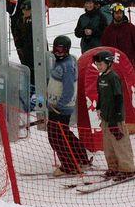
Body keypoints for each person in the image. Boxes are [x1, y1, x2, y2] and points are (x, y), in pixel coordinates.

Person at [47, 35, 90, 176]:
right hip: (55, 106)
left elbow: (69, 89)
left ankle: (69, 165)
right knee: (64, 134)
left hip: (60, 108)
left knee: (56, 137)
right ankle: (81, 158)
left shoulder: (67, 65)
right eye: (56, 49)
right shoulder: (63, 61)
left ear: (67, 50)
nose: (58, 53)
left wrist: (60, 105)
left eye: (61, 50)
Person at [93, 50, 135, 181]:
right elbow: (100, 95)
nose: (99, 67)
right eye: (97, 64)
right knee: (108, 144)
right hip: (105, 116)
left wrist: (116, 116)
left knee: (120, 143)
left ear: (109, 63)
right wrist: (98, 108)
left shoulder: (113, 77)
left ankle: (127, 169)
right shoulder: (101, 77)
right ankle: (113, 167)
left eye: (101, 64)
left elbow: (118, 97)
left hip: (115, 118)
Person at [14, 0, 35, 88]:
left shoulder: (35, 21)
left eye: (27, 10)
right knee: (26, 69)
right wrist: (18, 47)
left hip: (33, 50)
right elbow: (17, 35)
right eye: (24, 10)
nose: (25, 12)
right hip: (24, 50)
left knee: (34, 71)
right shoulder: (20, 20)